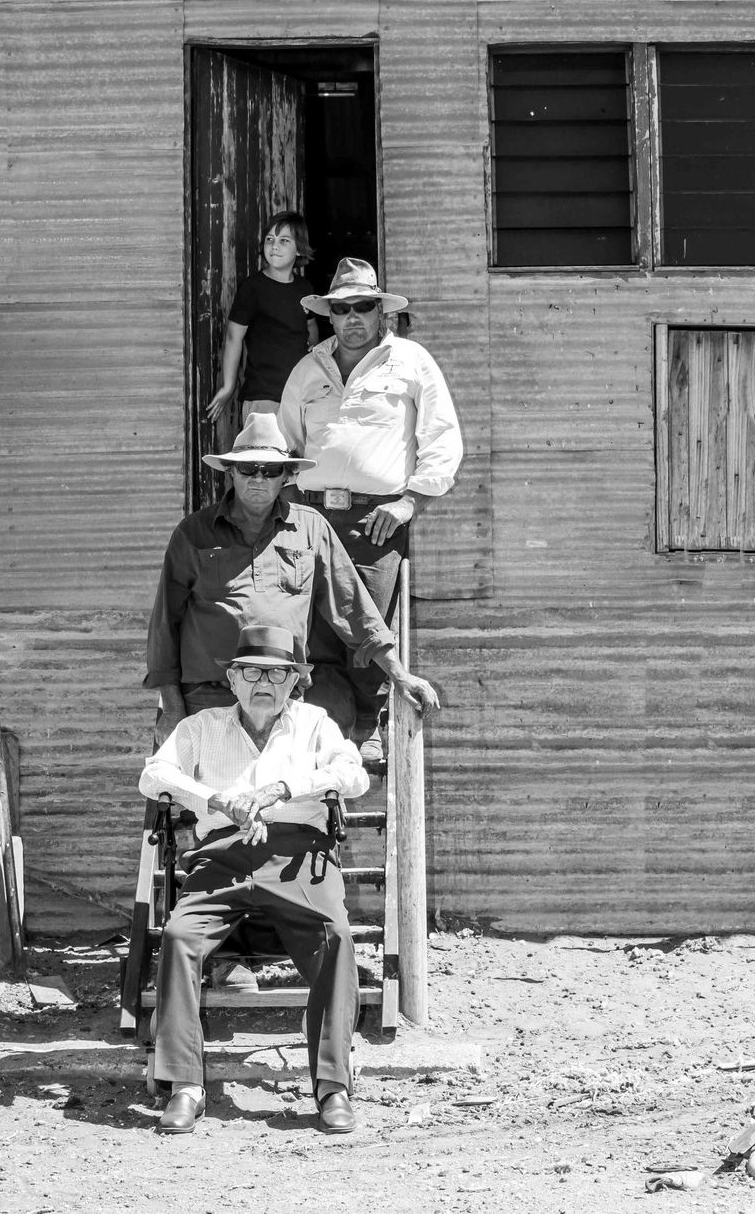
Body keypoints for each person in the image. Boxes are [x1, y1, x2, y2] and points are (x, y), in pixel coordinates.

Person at [139, 624, 366, 1136]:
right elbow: (152, 775)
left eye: (276, 673)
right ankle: (185, 1086)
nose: (264, 682)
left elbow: (354, 776)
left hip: (297, 856)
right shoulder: (201, 727)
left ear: (294, 683)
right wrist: (215, 799)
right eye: (251, 672)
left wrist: (283, 789)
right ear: (233, 679)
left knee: (336, 938)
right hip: (222, 855)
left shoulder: (315, 724)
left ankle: (332, 1086)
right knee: (178, 938)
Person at [144, 411, 438, 744]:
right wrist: (171, 707)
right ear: (230, 472)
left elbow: (354, 607)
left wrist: (399, 676)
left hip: (282, 696)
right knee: (207, 795)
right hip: (209, 696)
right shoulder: (193, 533)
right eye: (247, 469)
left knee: (282, 792)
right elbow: (165, 624)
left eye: (269, 471)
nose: (258, 479)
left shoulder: (311, 527)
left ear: (286, 476)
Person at [278, 257, 464, 759]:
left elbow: (442, 438)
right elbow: (286, 445)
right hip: (312, 516)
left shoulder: (411, 361)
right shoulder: (307, 368)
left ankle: (368, 724)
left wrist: (410, 502)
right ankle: (326, 727)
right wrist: (288, 506)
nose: (353, 317)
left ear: (381, 312)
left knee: (369, 621)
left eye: (364, 306)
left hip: (374, 519)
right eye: (342, 308)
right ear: (329, 314)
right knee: (315, 623)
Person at [205, 211, 320, 425]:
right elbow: (233, 337)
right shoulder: (253, 288)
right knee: (263, 458)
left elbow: (311, 325)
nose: (274, 246)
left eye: (284, 241)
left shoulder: (304, 289)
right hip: (263, 397)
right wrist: (228, 386)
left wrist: (312, 348)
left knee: (297, 458)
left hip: (300, 395)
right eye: (270, 239)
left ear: (299, 249)